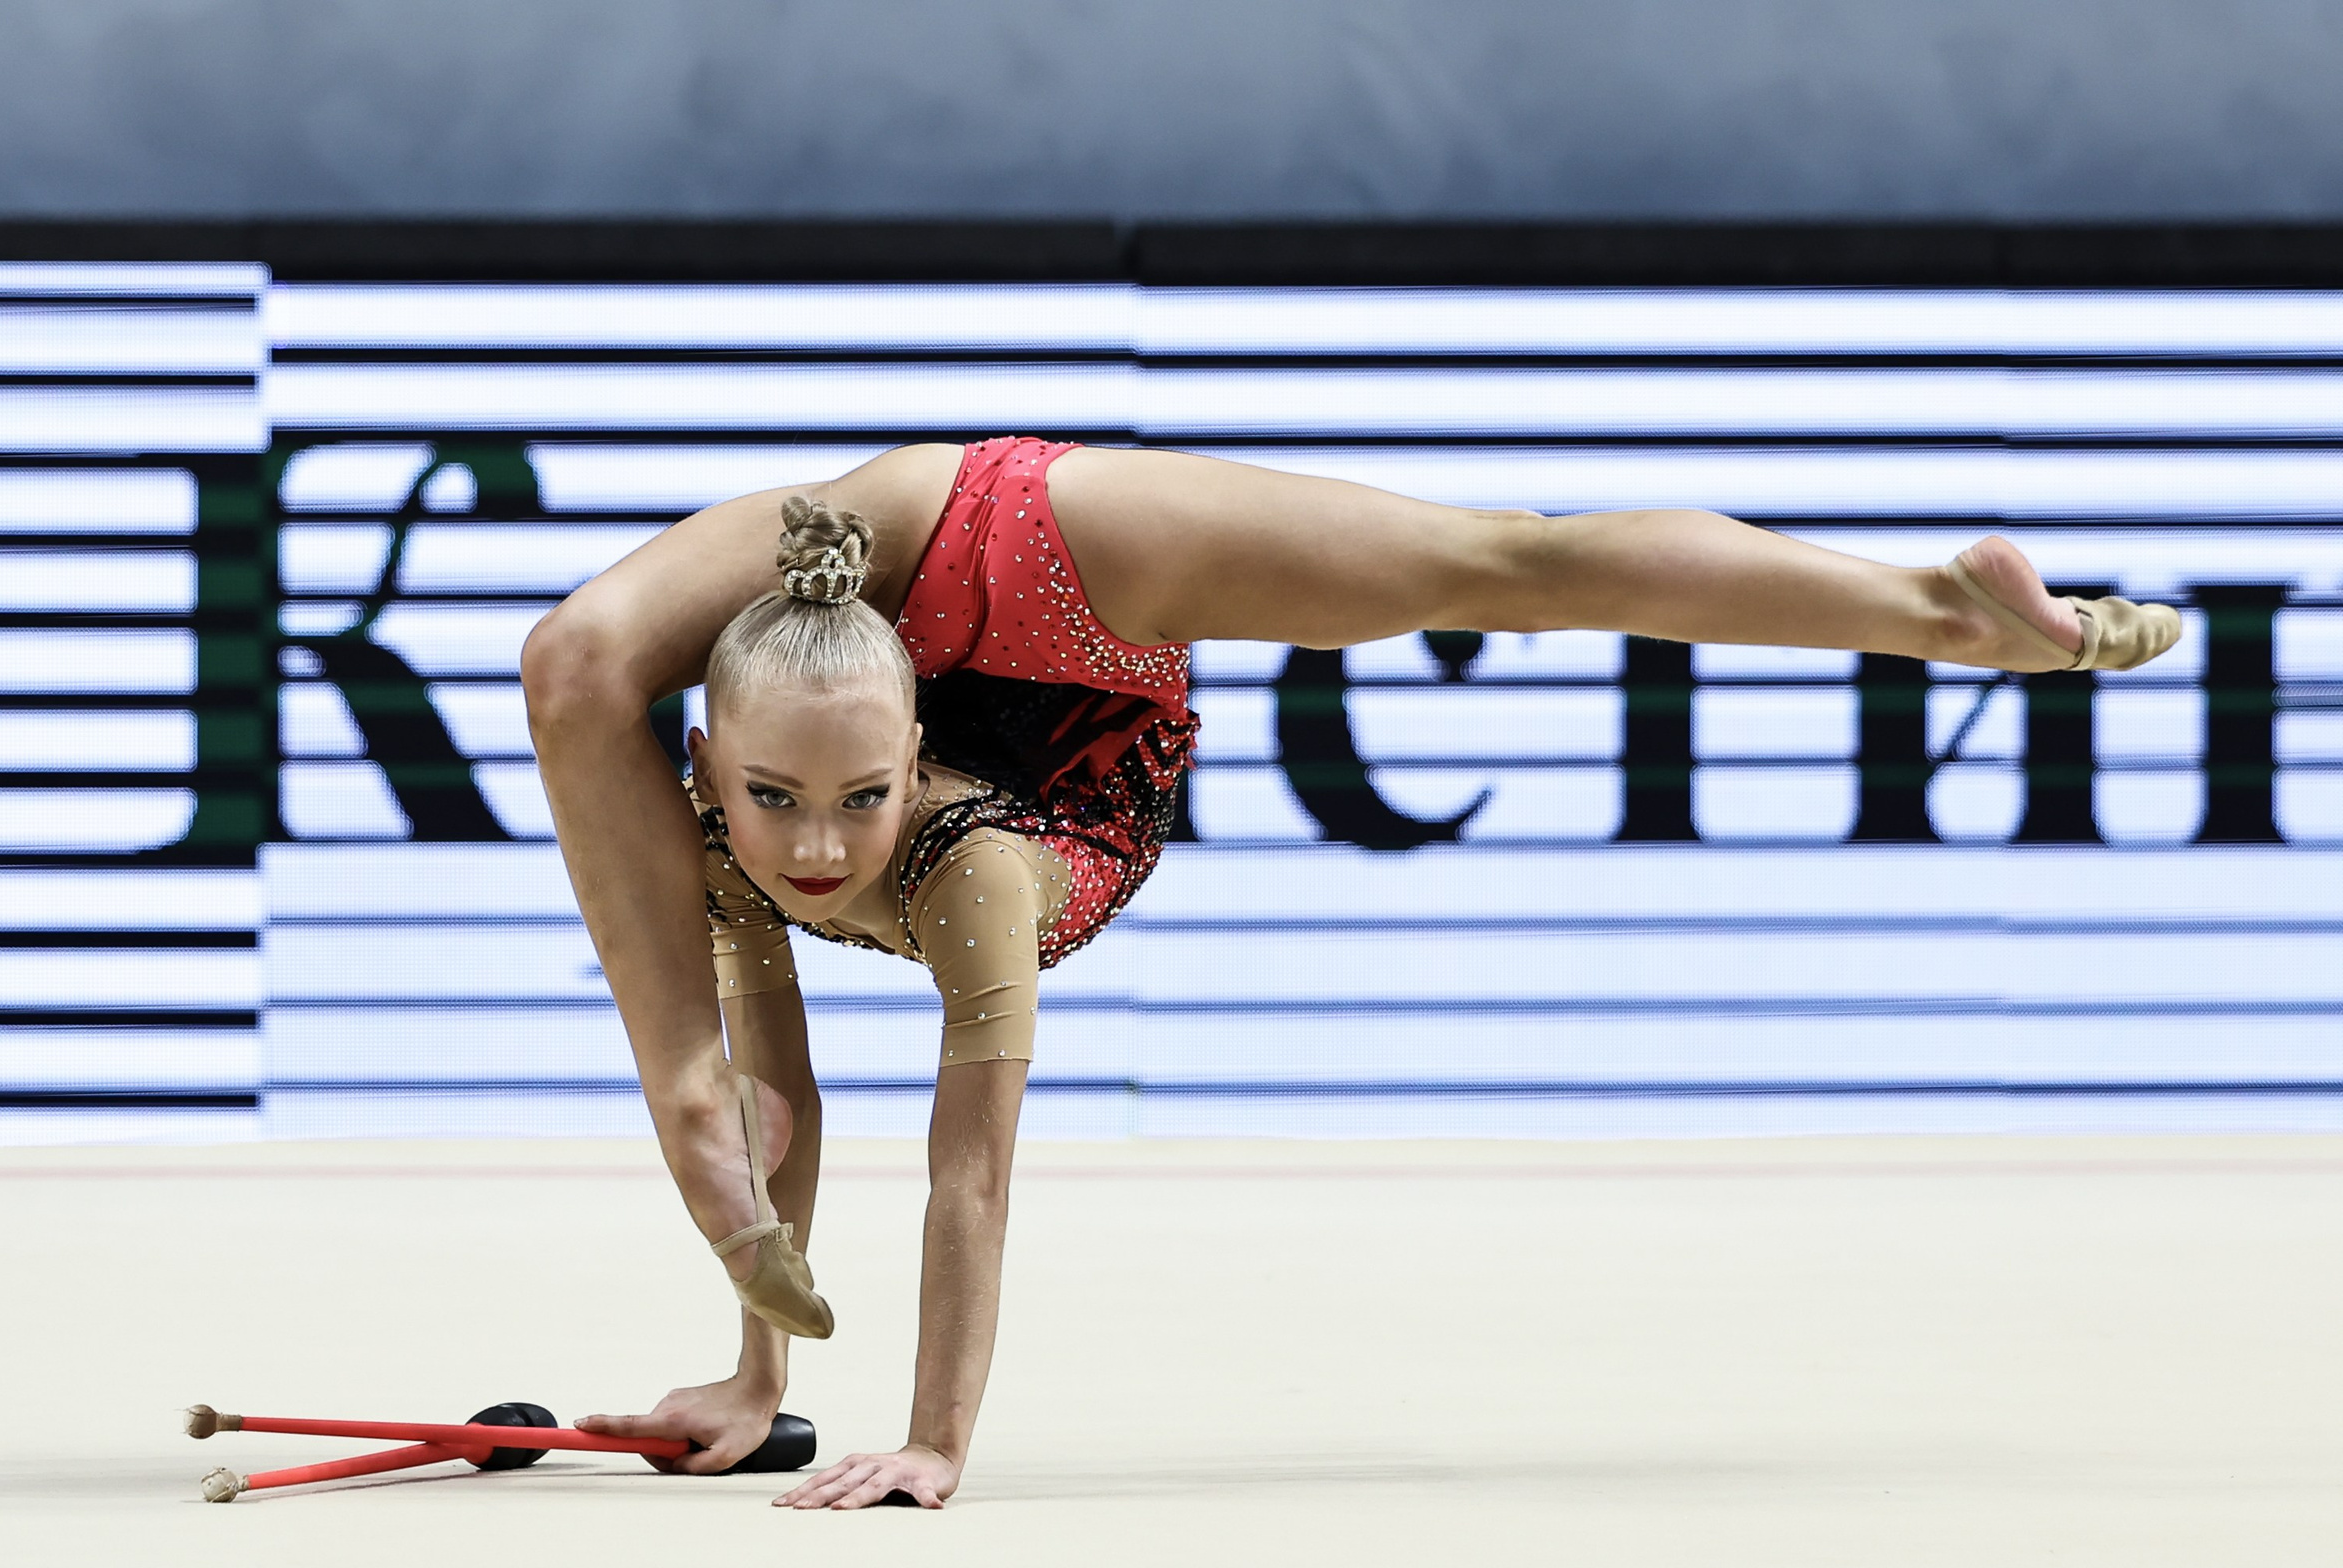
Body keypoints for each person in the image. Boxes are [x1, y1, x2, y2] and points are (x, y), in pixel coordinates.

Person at [520, 435, 2179, 1510]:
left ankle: (1950, 612)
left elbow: (968, 1178)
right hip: (928, 699)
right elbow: (783, 1092)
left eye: (837, 807)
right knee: (607, 696)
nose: (806, 849)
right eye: (764, 806)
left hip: (1007, 556)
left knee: (1505, 561)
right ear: (707, 767)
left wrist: (934, 1440)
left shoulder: (955, 879)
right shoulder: (729, 832)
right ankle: (1951, 613)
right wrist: (757, 1377)